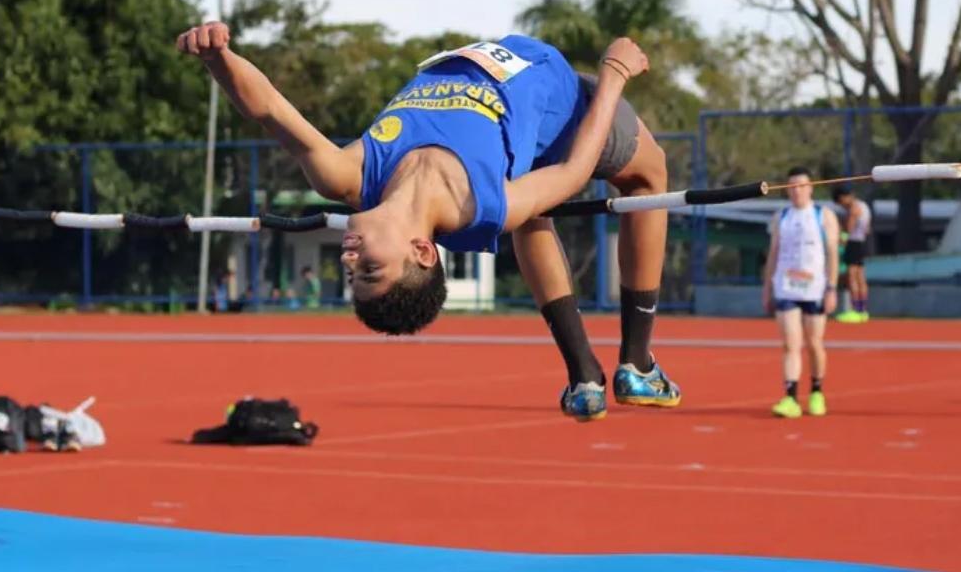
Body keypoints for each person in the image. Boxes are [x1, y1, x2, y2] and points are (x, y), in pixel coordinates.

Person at [177, 22, 679, 421]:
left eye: (352, 274)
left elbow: (268, 109)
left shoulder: (347, 173)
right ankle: (635, 362)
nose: (350, 258)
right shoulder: (483, 202)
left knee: (531, 211)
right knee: (646, 178)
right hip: (566, 105)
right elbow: (573, 171)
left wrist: (218, 59)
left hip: (504, 69)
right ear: (421, 251)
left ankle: (584, 377)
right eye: (369, 270)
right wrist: (613, 73)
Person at [762, 167, 840, 418]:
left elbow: (833, 254)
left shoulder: (823, 216)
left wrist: (831, 288)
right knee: (790, 344)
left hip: (815, 288)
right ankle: (790, 398)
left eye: (801, 186)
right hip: (786, 287)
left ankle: (817, 390)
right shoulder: (781, 217)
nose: (796, 191)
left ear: (810, 187)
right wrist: (767, 287)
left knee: (814, 343)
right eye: (792, 186)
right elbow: (773, 254)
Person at [831, 186, 871, 322]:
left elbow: (848, 230)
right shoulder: (864, 206)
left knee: (852, 277)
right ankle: (863, 310)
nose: (842, 205)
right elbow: (867, 230)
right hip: (861, 243)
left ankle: (856, 310)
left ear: (844, 197)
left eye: (841, 202)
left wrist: (839, 242)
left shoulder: (854, 208)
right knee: (860, 278)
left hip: (853, 244)